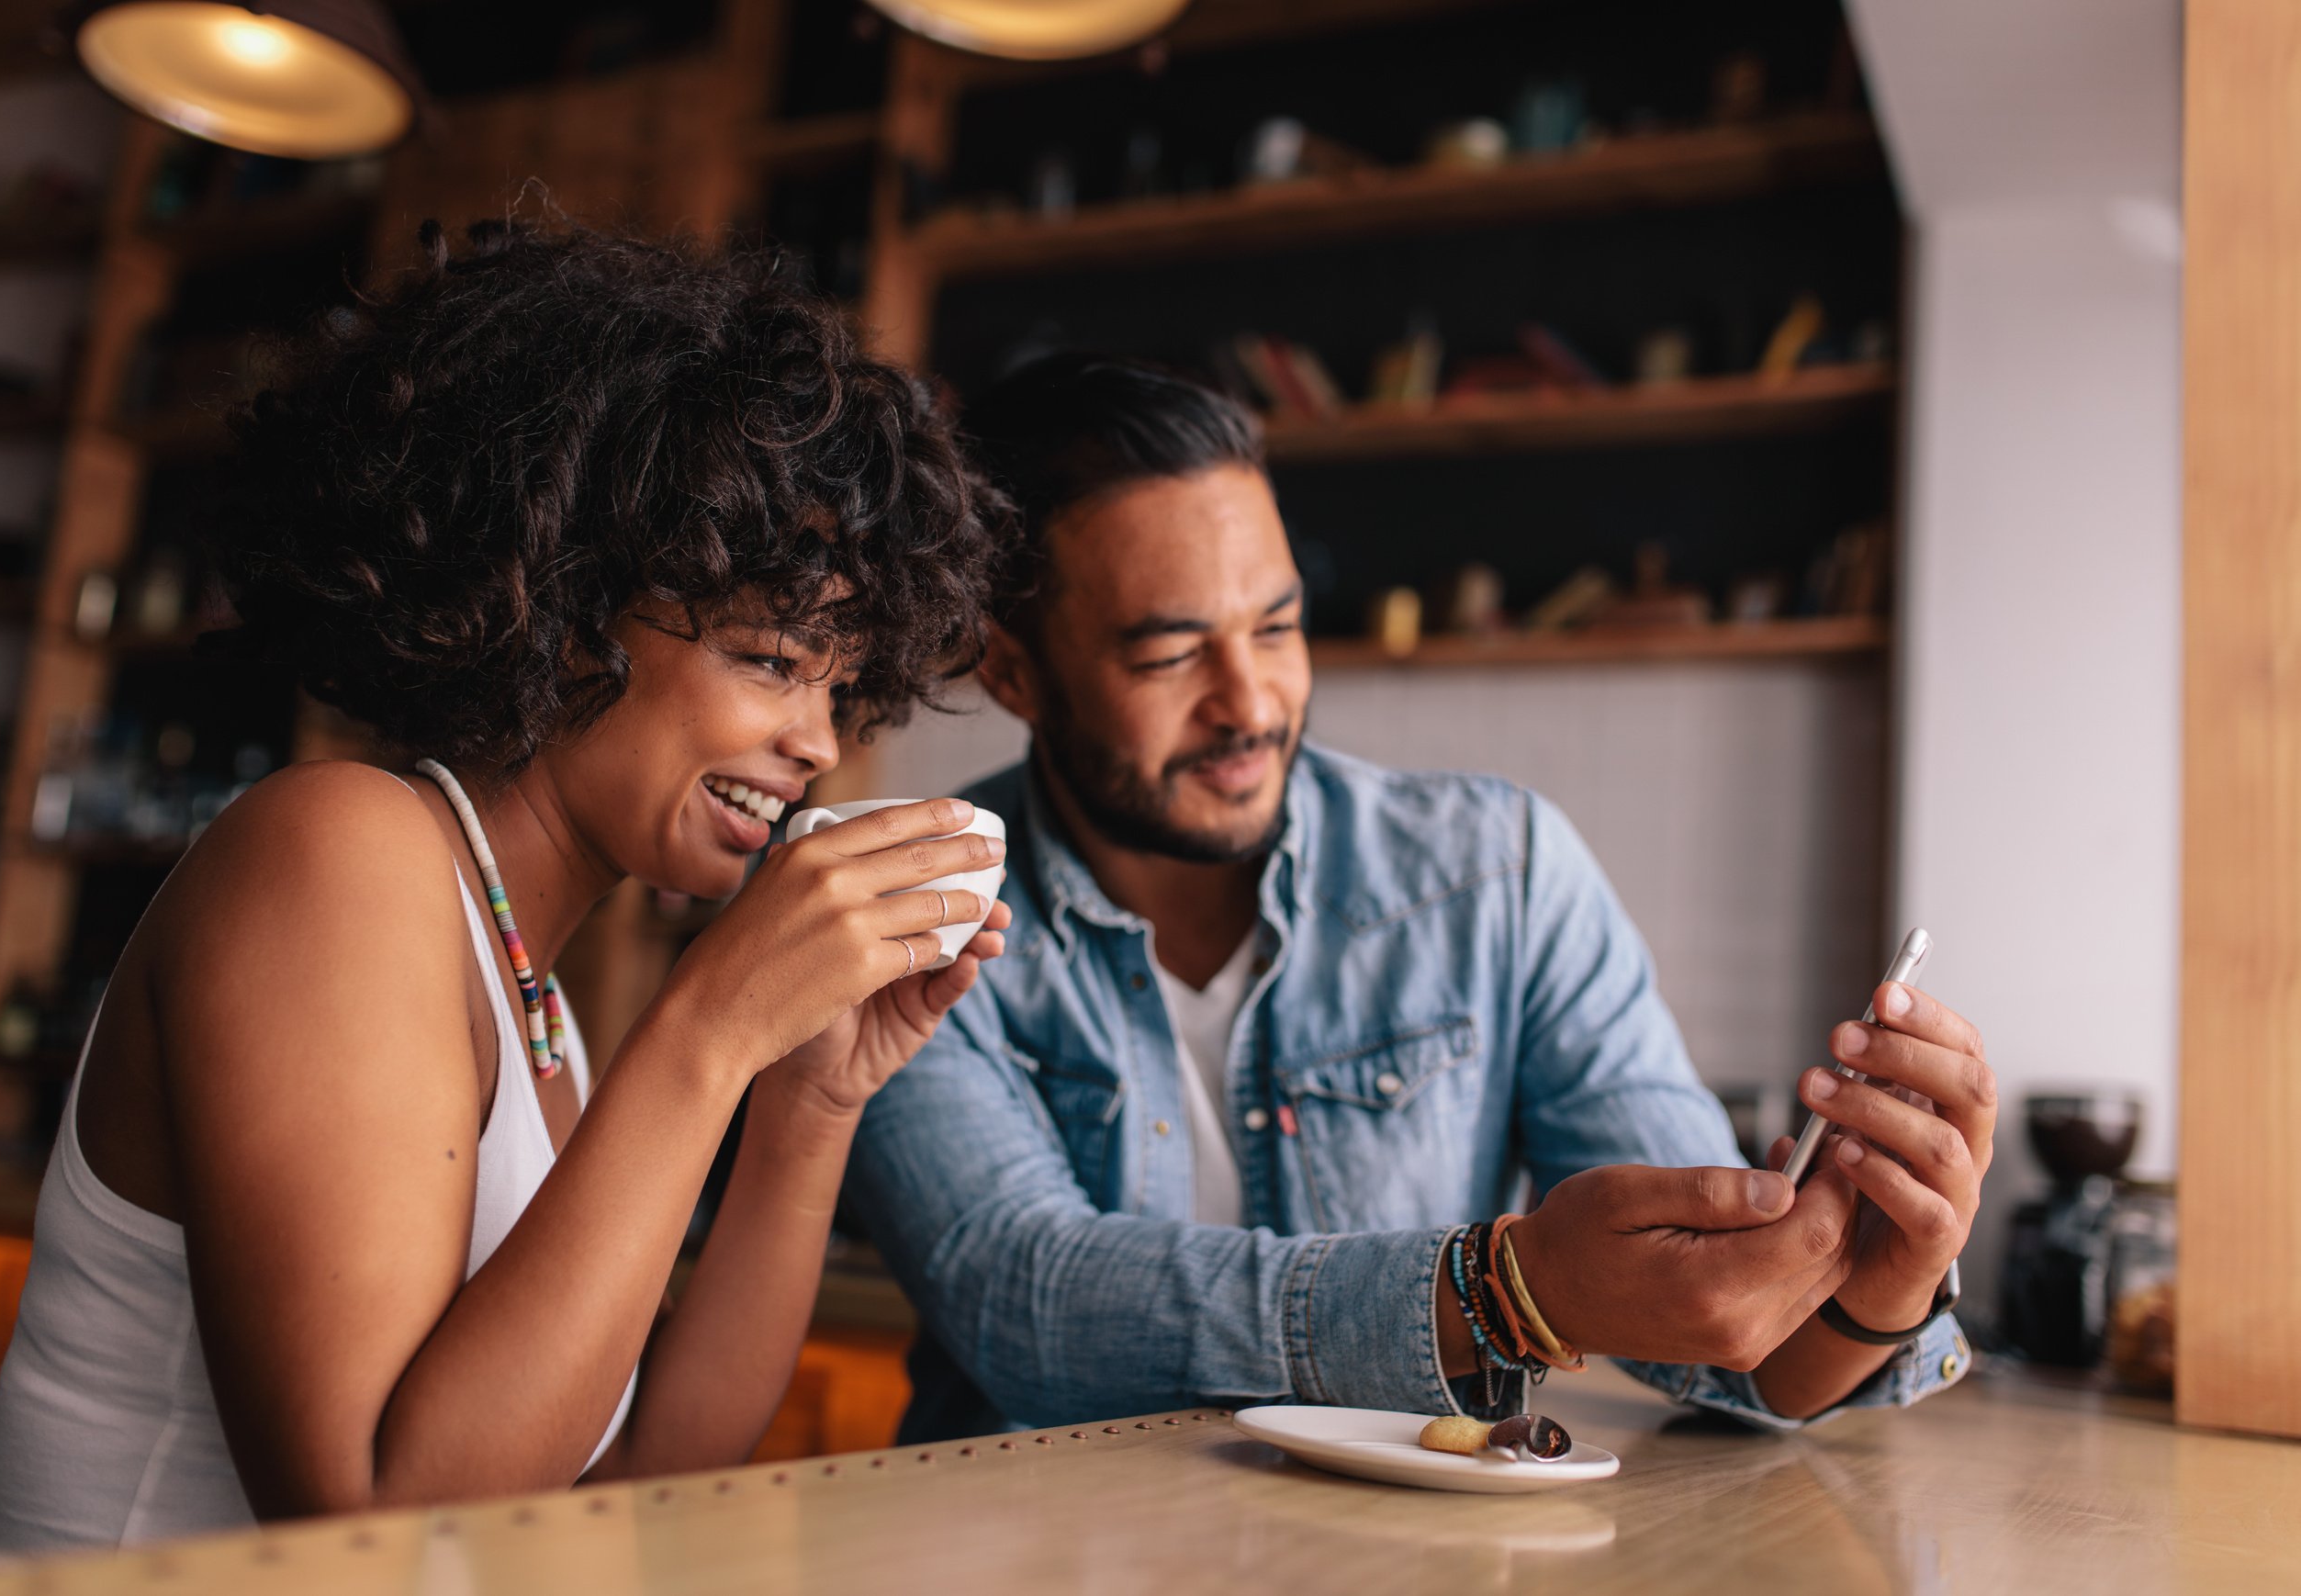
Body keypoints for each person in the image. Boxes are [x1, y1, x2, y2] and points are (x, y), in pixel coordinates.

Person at [0, 221, 1013, 1557]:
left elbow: (642, 1482)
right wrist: (707, 1028)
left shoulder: (533, 997)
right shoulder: (335, 851)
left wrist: (806, 1095)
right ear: (565, 608)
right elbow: (371, 1514)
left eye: (838, 686)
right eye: (769, 659)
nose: (817, 742)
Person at [844, 354, 1992, 1441]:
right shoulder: (911, 907)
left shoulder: (1501, 875)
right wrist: (1500, 1291)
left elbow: (1727, 1334)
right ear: (1010, 669)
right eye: (1169, 653)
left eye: (1279, 626)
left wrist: (1868, 1288)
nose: (1250, 702)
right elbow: (1021, 1300)